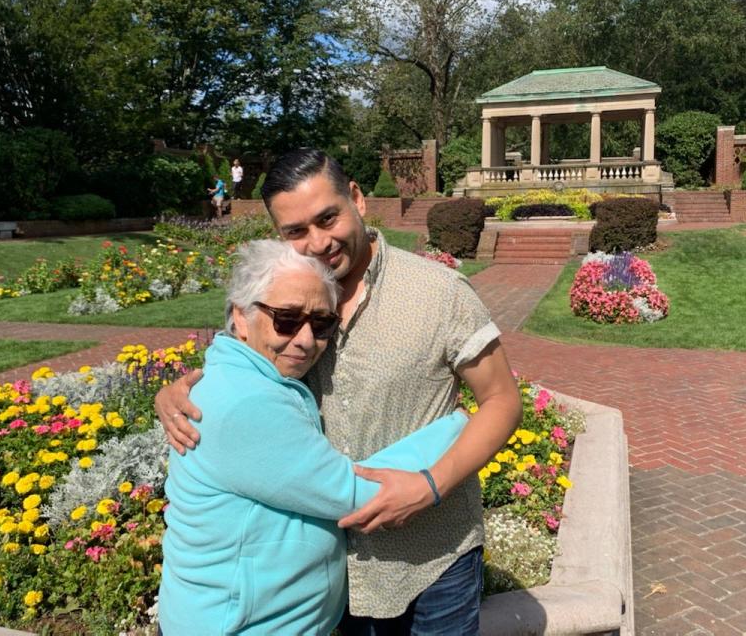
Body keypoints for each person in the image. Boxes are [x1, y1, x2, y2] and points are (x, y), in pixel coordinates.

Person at [157, 149, 521, 634]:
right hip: (335, 574)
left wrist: (432, 484)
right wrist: (174, 393)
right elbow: (240, 362)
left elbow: (502, 400)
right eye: (296, 231)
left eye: (327, 218)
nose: (318, 242)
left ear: (356, 198)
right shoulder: (292, 302)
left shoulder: (440, 292)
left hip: (433, 558)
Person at [158, 240, 468, 634]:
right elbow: (358, 492)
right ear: (240, 317)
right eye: (286, 319)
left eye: (321, 324)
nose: (306, 340)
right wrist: (456, 427)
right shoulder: (246, 404)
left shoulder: (247, 378)